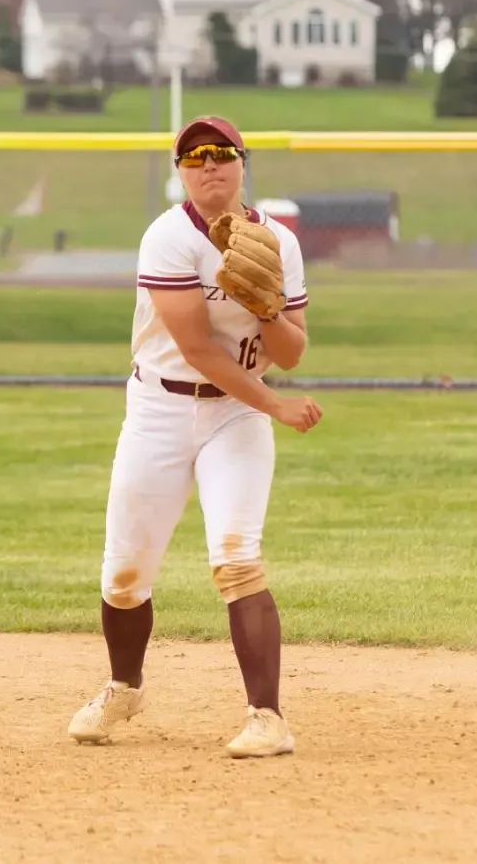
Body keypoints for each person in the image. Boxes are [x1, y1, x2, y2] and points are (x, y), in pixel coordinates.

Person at [67, 114, 323, 758]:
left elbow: (290, 353)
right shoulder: (167, 238)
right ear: (181, 173)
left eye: (221, 153)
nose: (208, 164)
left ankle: (267, 717)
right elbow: (198, 348)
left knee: (237, 559)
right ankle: (124, 687)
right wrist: (279, 408)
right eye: (194, 157)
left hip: (235, 418)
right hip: (159, 410)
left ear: (243, 163)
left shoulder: (279, 242)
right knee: (124, 575)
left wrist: (267, 309)